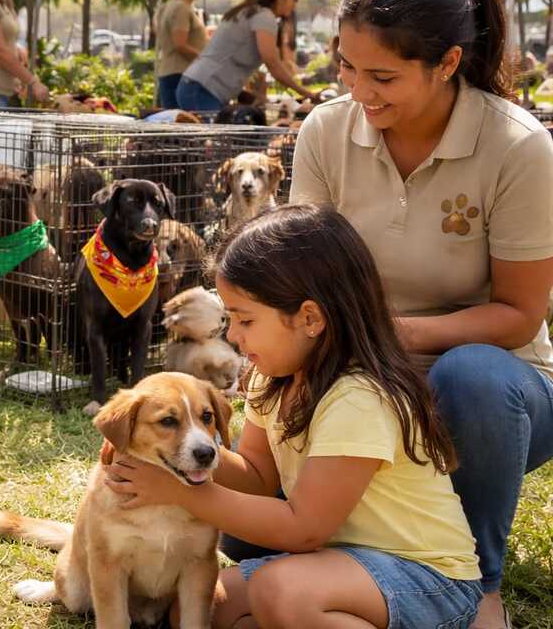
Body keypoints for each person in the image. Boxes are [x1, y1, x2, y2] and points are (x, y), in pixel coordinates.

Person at [289, 0, 553, 629]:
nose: (358, 91)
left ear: (447, 63)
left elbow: (521, 317)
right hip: (363, 374)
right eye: (346, 67)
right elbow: (300, 275)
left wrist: (401, 338)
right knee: (249, 542)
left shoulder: (518, 148)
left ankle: (478, 582)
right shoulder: (325, 132)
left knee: (474, 380)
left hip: (495, 389)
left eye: (382, 76)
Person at [105, 204, 483, 628]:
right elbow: (256, 478)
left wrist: (177, 492)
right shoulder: (274, 379)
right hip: (340, 564)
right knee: (200, 605)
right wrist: (155, 447)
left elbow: (303, 529)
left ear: (309, 318)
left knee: (281, 592)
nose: (232, 335)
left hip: (426, 579)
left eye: (245, 320)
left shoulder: (358, 398)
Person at [178, 0, 315, 112]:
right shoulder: (264, 17)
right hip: (203, 89)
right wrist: (306, 93)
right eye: (294, 0)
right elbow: (273, 64)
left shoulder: (249, 11)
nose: (295, 6)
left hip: (197, 85)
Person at [155, 0, 207, 109]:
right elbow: (180, 44)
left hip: (173, 74)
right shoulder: (181, 8)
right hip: (180, 75)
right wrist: (205, 61)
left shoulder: (167, 6)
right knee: (184, 125)